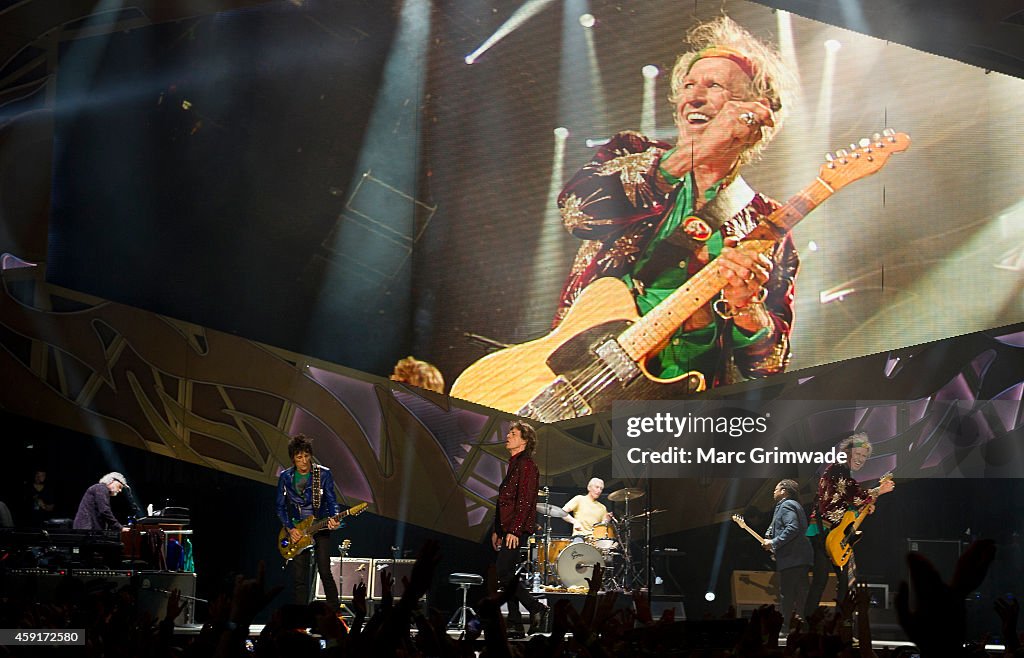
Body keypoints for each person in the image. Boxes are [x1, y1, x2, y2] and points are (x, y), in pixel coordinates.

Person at [554, 16, 799, 390]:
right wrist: (692, 152)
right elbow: (577, 211)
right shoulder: (631, 151)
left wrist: (747, 308)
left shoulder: (767, 222)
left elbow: (767, 370)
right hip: (578, 380)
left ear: (753, 113)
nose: (693, 97)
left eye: (713, 85)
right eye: (688, 86)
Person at [803, 432, 895, 618]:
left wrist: (860, 509)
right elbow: (854, 494)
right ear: (846, 452)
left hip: (834, 533)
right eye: (857, 454)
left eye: (864, 456)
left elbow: (844, 501)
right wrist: (879, 490)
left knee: (836, 581)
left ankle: (832, 623)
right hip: (826, 531)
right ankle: (818, 623)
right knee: (833, 581)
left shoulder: (840, 472)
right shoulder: (837, 469)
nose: (860, 459)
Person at [492, 420, 547, 637]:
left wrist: (514, 530)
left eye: (512, 434)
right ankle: (514, 622)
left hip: (516, 529)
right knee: (507, 575)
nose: (508, 436)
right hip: (507, 528)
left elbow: (525, 501)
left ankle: (536, 607)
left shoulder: (527, 465)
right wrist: (499, 530)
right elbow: (504, 501)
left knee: (503, 573)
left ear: (524, 440)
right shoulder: (514, 463)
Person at [276, 434, 342, 610]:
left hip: (319, 525)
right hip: (298, 529)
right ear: (293, 459)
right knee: (299, 577)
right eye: (299, 457)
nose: (304, 461)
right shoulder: (285, 477)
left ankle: (335, 613)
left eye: (306, 456)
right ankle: (300, 618)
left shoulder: (323, 474)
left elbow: (332, 501)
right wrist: (290, 529)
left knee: (325, 571)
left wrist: (335, 517)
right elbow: (280, 507)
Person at [762, 478, 812, 625]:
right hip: (798, 558)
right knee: (800, 594)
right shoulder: (791, 505)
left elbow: (792, 528)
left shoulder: (787, 505)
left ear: (784, 490)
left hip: (793, 558)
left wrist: (774, 542)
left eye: (776, 488)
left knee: (788, 595)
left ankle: (786, 627)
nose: (774, 491)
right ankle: (801, 626)